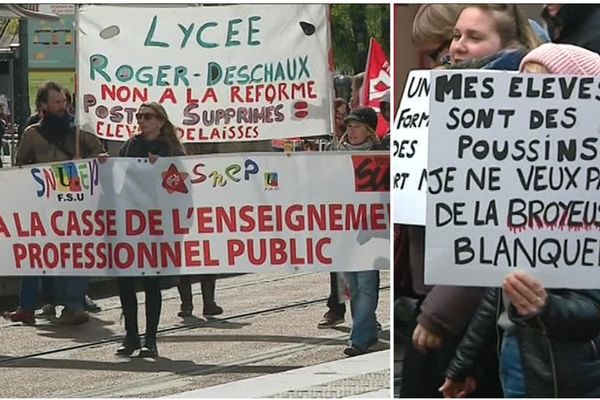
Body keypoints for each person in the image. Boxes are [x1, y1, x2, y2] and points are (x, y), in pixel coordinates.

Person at [440, 42, 600, 399]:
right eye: (522, 86)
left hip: (572, 377)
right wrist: (464, 364)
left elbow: (593, 311)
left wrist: (546, 309)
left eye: (543, 88)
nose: (528, 99)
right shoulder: (521, 185)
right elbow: (499, 288)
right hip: (517, 362)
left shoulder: (589, 191)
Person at [400, 5, 542, 397]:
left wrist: (438, 313)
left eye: (472, 38)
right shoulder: (454, 90)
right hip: (453, 301)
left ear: (507, 43)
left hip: (467, 309)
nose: (456, 50)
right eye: (457, 37)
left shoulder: (506, 101)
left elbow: (493, 225)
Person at [4, 81, 106, 325]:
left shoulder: (81, 130)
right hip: (44, 206)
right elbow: (21, 166)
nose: (63, 106)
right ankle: (27, 307)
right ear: (43, 105)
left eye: (65, 101)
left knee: (74, 254)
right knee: (35, 254)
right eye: (57, 102)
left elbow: (101, 155)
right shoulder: (32, 134)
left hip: (76, 205)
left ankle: (73, 305)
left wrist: (92, 160)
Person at [116, 102, 185, 358]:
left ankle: (150, 339)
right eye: (139, 116)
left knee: (150, 281)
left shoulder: (171, 149)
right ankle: (131, 336)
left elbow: (181, 188)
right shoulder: (130, 145)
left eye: (147, 116)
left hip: (156, 223)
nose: (141, 120)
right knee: (125, 282)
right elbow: (117, 175)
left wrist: (163, 168)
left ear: (160, 121)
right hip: (130, 221)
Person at [333, 106, 383, 356]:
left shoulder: (382, 155)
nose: (352, 132)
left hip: (371, 232)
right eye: (349, 126)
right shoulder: (334, 156)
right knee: (350, 285)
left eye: (357, 127)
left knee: (365, 284)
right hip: (344, 231)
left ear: (370, 130)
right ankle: (368, 329)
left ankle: (359, 338)